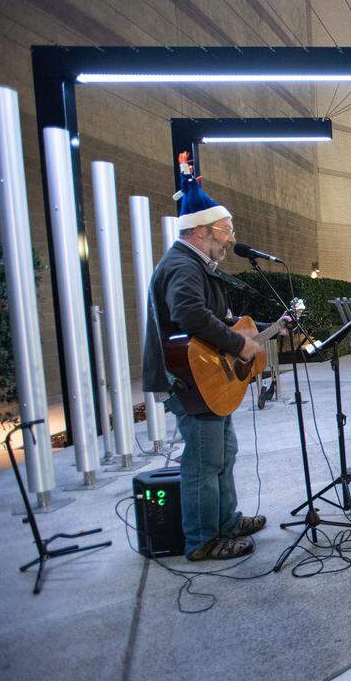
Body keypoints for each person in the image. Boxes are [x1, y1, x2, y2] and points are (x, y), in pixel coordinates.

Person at [142, 155, 271, 561]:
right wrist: (238, 346)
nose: (229, 241)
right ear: (200, 231)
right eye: (224, 233)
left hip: (206, 381)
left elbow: (210, 316)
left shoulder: (196, 264)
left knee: (223, 454)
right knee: (203, 462)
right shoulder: (183, 265)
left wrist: (246, 328)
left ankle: (227, 523)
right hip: (190, 381)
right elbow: (189, 315)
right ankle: (202, 540)